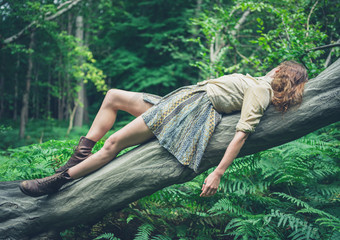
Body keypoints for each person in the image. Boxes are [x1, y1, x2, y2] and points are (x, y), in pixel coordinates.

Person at [19, 60, 308, 198]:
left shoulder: (260, 91)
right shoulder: (258, 82)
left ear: (284, 73)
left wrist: (218, 172)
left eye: (279, 67)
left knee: (115, 142)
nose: (274, 68)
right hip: (181, 100)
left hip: (189, 111)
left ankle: (58, 180)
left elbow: (242, 133)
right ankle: (78, 157)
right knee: (113, 96)